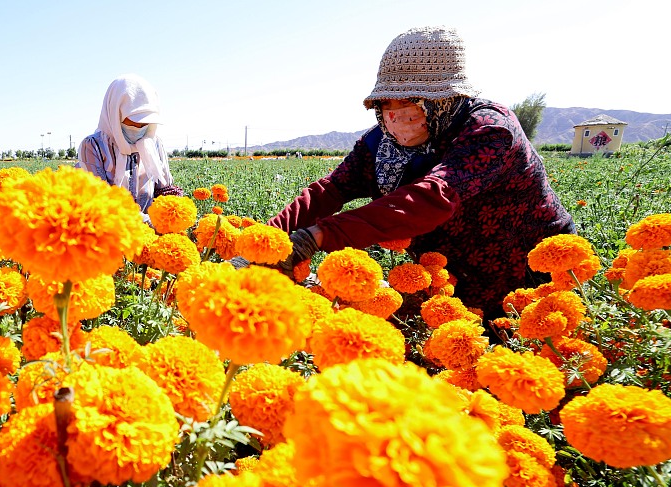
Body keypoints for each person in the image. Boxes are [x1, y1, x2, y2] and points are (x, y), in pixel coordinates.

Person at [262, 26, 575, 319]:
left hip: (524, 267)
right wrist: (265, 241)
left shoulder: (490, 130)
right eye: (387, 102)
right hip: (444, 271)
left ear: (444, 99)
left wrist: (318, 236)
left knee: (517, 353)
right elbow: (331, 190)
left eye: (410, 100)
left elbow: (431, 197)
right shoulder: (380, 142)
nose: (396, 113)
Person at [76, 74, 184, 220]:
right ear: (115, 114)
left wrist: (175, 214)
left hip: (152, 235)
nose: (138, 128)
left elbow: (165, 190)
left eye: (144, 124)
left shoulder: (154, 144)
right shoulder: (92, 147)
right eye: (132, 122)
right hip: (111, 233)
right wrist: (146, 223)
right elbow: (100, 202)